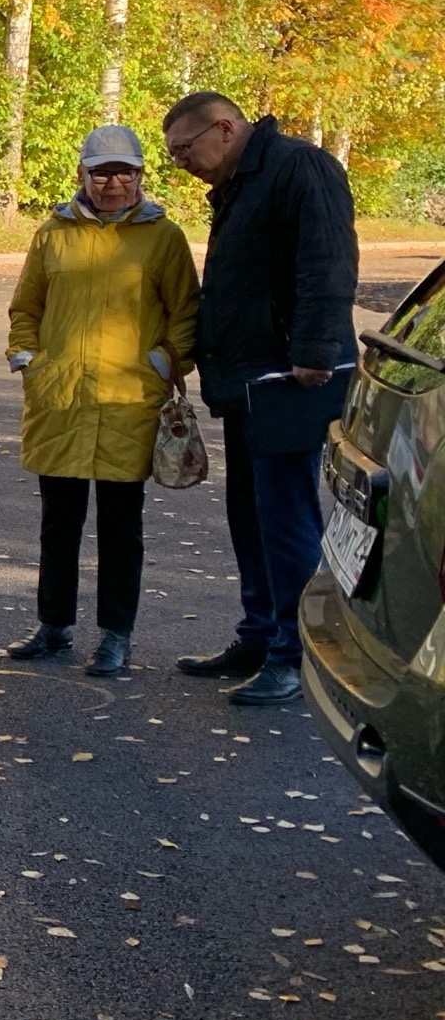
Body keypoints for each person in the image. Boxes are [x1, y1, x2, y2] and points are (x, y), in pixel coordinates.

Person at [161, 90, 358, 706]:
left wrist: (315, 349)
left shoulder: (300, 166)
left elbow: (327, 260)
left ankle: (294, 655)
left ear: (224, 128)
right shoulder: (244, 180)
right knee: (249, 513)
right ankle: (258, 632)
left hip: (292, 377)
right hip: (250, 378)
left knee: (285, 516)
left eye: (184, 150)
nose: (182, 164)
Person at [2, 126, 199, 679]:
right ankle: (54, 624)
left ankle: (117, 634)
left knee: (120, 527)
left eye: (125, 173)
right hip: (61, 398)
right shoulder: (52, 234)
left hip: (127, 400)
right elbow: (26, 307)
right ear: (81, 176)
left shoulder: (164, 238)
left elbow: (186, 317)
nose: (114, 183)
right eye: (103, 172)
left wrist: (162, 363)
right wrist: (26, 358)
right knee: (58, 522)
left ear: (140, 177)